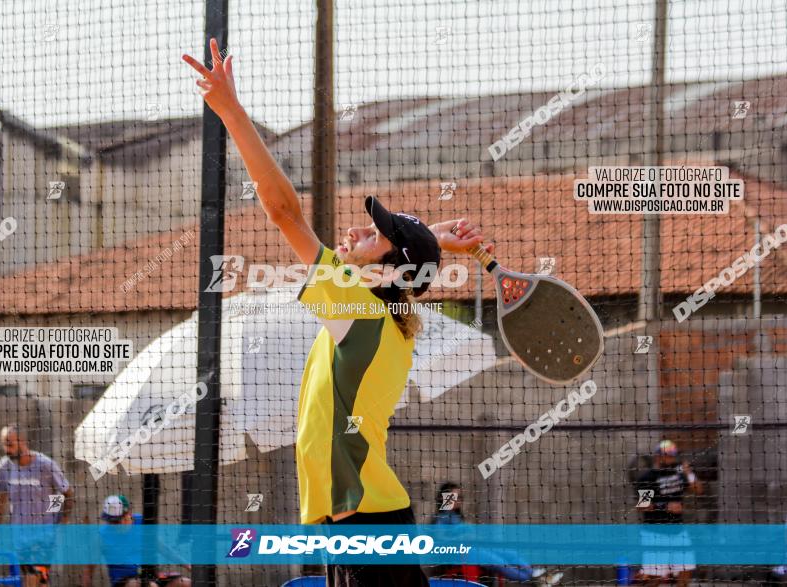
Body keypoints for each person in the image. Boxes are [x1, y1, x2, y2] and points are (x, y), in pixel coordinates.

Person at [182, 38, 494, 587]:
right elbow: (405, 263)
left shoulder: (356, 305)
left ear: (388, 270)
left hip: (362, 515)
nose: (355, 231)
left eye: (373, 235)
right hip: (358, 512)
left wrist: (231, 111)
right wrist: (437, 240)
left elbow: (283, 212)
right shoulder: (387, 316)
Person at [428, 482, 562, 586]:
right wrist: (462, 538)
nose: (458, 500)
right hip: (459, 554)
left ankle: (534, 574)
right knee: (498, 562)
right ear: (443, 497)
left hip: (473, 548)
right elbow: (440, 540)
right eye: (454, 496)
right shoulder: (441, 518)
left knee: (508, 553)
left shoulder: (456, 517)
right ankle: (534, 578)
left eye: (460, 497)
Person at [0, 425, 74, 587]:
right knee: (40, 582)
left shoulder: (45, 465)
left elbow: (68, 493)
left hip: (43, 536)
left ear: (22, 442)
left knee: (32, 577)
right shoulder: (4, 466)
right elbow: (0, 500)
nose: (6, 449)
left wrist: (63, 522)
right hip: (19, 537)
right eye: (4, 444)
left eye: (10, 444)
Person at [633, 440, 703, 587]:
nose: (672, 458)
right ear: (658, 456)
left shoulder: (677, 473)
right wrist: (665, 506)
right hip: (655, 533)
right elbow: (642, 505)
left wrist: (689, 473)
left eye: (673, 455)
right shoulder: (647, 478)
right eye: (668, 455)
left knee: (685, 571)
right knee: (655, 578)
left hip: (678, 530)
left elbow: (698, 489)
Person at [82, 495, 190, 587]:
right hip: (124, 581)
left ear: (128, 514)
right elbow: (89, 569)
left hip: (150, 575)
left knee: (186, 583)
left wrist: (187, 565)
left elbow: (161, 547)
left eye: (116, 521)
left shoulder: (141, 522)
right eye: (109, 521)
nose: (112, 525)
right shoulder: (101, 536)